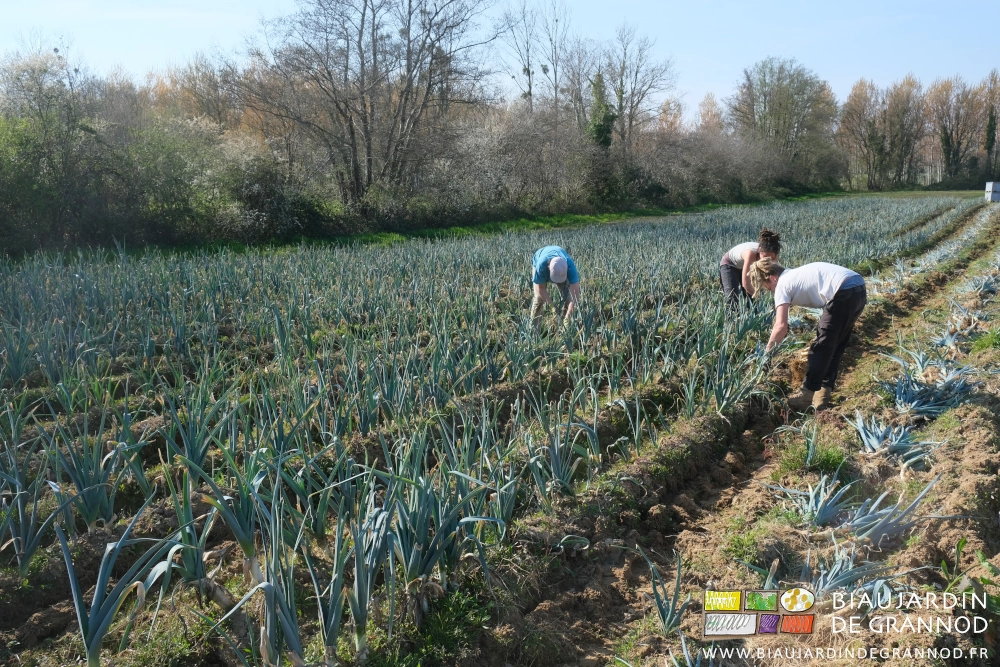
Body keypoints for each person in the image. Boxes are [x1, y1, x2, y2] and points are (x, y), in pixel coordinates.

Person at [750, 258, 867, 411]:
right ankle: (823, 395)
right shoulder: (793, 275)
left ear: (773, 278)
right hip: (858, 287)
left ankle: (806, 395)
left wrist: (767, 355)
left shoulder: (782, 284)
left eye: (768, 286)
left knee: (821, 347)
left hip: (843, 291)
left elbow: (781, 326)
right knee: (835, 345)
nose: (770, 290)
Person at [720, 229, 782, 305]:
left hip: (745, 264)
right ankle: (731, 316)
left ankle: (752, 313)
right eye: (765, 256)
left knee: (751, 298)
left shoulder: (773, 257)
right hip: (730, 265)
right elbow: (746, 284)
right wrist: (759, 299)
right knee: (732, 296)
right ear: (760, 250)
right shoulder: (750, 254)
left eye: (771, 258)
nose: (767, 260)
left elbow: (776, 277)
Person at [530, 245, 580, 329]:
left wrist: (568, 317)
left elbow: (575, 297)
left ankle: (564, 327)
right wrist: (553, 306)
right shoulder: (541, 266)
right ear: (549, 267)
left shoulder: (570, 266)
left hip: (561, 265)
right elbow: (540, 289)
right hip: (540, 257)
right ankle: (534, 331)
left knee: (568, 298)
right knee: (539, 299)